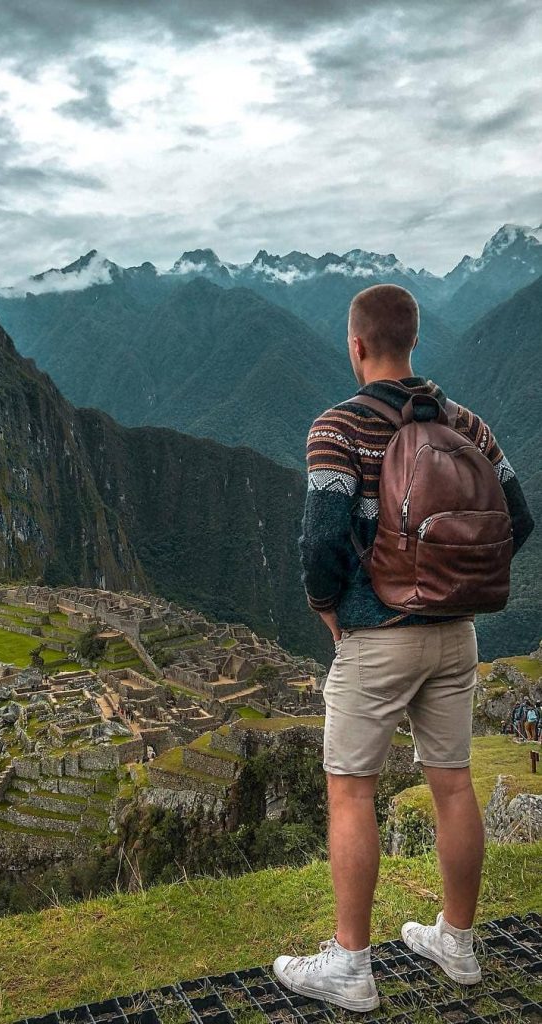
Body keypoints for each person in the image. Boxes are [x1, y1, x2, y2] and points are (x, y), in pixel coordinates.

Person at [273, 284, 535, 1014]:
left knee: (350, 791)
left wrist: (331, 611)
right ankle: (456, 942)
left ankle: (349, 965)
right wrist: (454, 589)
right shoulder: (466, 424)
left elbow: (320, 541)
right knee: (453, 783)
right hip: (456, 637)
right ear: (413, 341)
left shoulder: (336, 429)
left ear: (355, 345)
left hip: (375, 636)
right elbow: (516, 521)